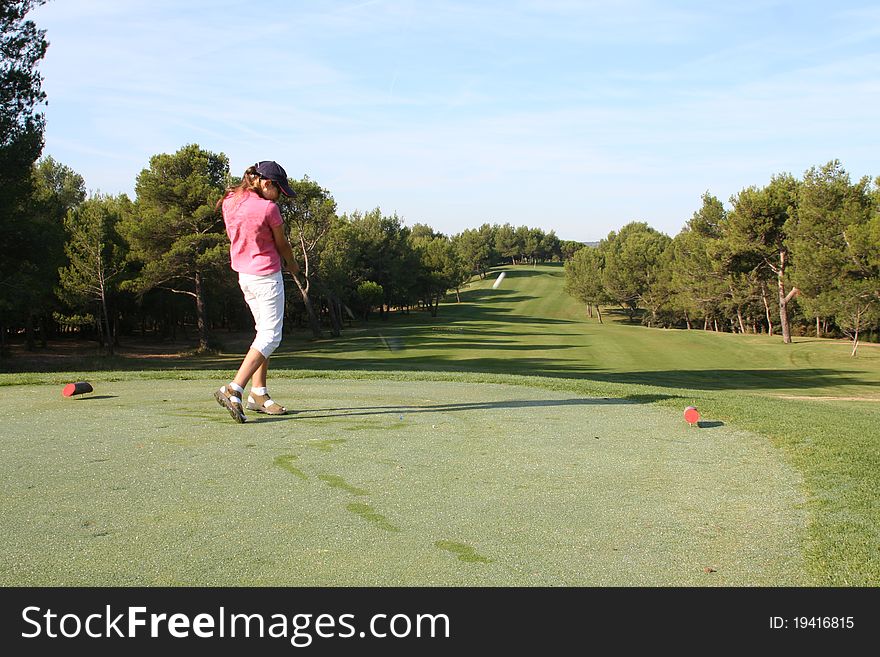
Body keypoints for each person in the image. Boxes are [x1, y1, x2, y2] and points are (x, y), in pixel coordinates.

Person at [213, 161, 299, 423]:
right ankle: (233, 388)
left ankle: (258, 394)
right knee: (271, 337)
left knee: (262, 334)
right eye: (279, 190)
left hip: (245, 276)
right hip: (266, 277)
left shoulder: (231, 200)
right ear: (266, 183)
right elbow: (282, 244)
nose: (280, 196)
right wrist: (294, 267)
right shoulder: (268, 208)